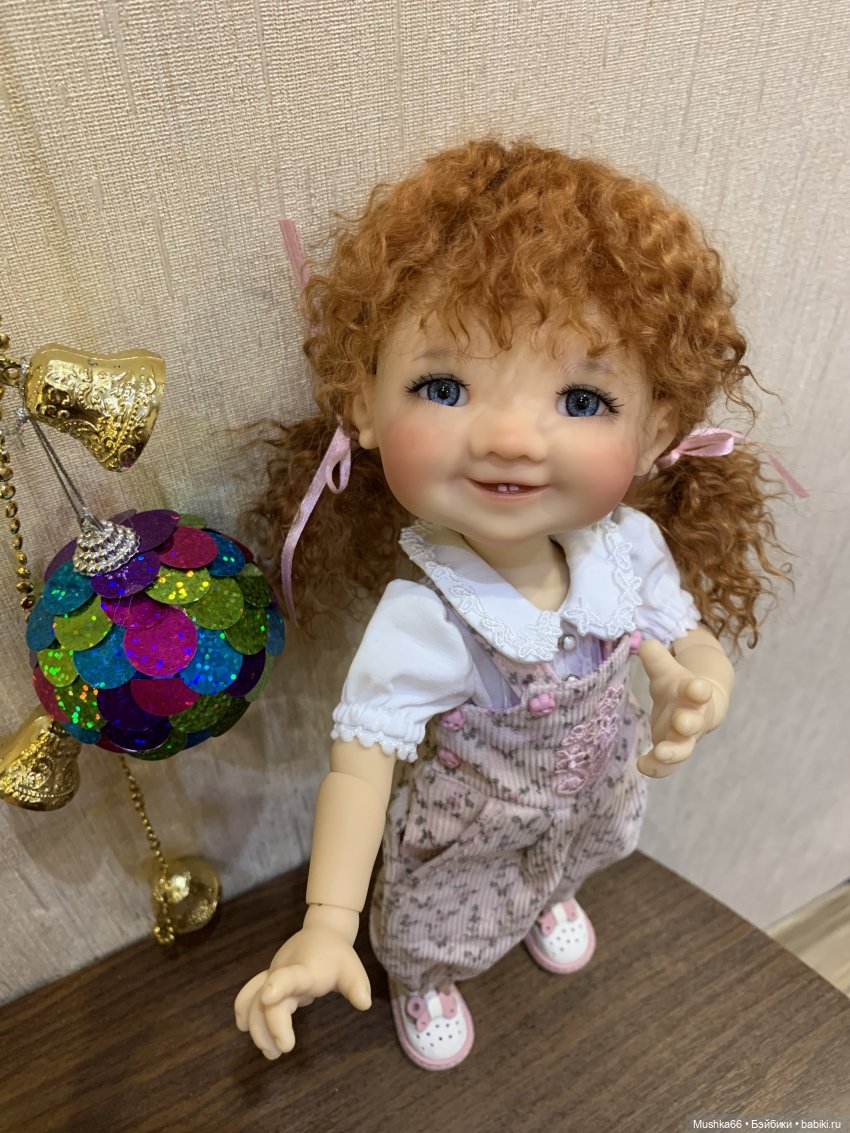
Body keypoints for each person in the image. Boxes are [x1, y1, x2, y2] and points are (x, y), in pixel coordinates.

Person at [234, 138, 791, 1071]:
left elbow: (684, 637)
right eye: (444, 386)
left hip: (595, 789)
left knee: (584, 851)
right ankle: (425, 978)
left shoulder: (624, 547)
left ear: (657, 428)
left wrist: (700, 687)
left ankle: (550, 895)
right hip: (474, 828)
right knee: (436, 917)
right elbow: (361, 771)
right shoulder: (429, 617)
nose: (510, 438)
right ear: (363, 405)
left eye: (582, 398)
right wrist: (327, 922)